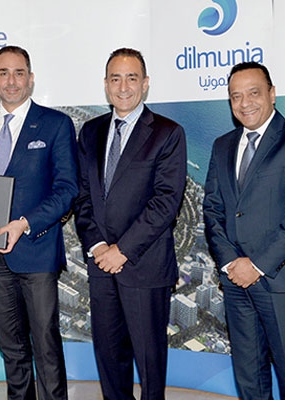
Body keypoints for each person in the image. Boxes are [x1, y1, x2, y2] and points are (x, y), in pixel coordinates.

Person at [203, 62, 285, 400]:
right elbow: (212, 209)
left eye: (254, 93)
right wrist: (231, 262)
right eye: (236, 96)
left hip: (280, 280)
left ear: (272, 94)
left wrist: (255, 264)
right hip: (235, 280)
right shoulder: (222, 145)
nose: (245, 103)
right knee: (248, 377)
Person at [0, 45, 78, 400]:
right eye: (3, 73)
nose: (11, 81)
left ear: (31, 78)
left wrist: (25, 223)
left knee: (45, 345)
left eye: (18, 73)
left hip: (36, 251)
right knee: (11, 348)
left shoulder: (56, 124)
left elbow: (67, 189)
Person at [74, 48, 187, 400]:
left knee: (150, 366)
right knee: (110, 361)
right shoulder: (90, 131)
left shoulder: (167, 133)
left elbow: (166, 202)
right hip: (100, 266)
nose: (123, 87)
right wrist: (98, 246)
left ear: (145, 83)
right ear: (106, 84)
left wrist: (121, 250)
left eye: (132, 78)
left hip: (144, 266)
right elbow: (82, 196)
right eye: (116, 78)